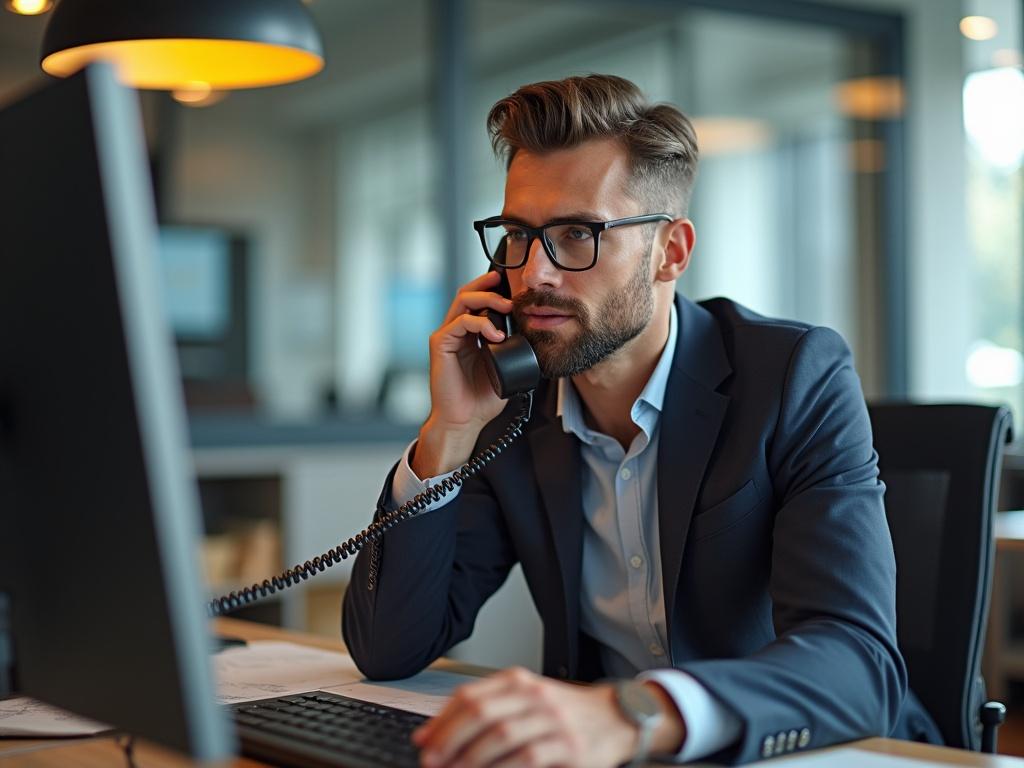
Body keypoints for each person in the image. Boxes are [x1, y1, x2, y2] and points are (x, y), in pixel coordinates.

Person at [343, 73, 917, 766]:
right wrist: (448, 435)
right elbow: (389, 648)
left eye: (577, 234)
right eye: (518, 237)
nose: (535, 276)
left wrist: (632, 711)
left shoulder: (795, 375)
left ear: (671, 252)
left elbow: (856, 664)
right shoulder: (510, 411)